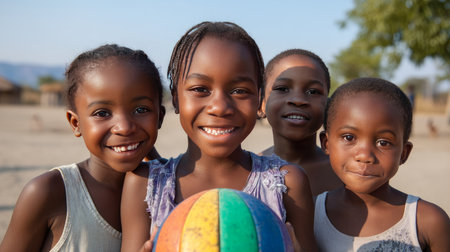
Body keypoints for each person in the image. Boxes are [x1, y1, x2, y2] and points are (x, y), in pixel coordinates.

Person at [121, 22, 316, 252]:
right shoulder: (146, 184)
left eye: (239, 91)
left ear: (260, 99)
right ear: (175, 98)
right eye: (200, 89)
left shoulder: (287, 183)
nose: (220, 107)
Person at [0, 44, 165, 251]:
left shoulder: (167, 193)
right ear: (75, 123)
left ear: (160, 116)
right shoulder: (50, 193)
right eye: (102, 113)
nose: (124, 127)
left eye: (141, 109)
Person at [315, 77, 450, 251]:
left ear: (404, 153)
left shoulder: (427, 222)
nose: (364, 156)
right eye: (349, 138)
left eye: (383, 142)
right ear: (326, 143)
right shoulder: (309, 215)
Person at [260, 49, 342, 196]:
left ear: (328, 106)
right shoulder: (249, 168)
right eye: (282, 88)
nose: (298, 100)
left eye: (313, 92)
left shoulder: (345, 173)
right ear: (262, 103)